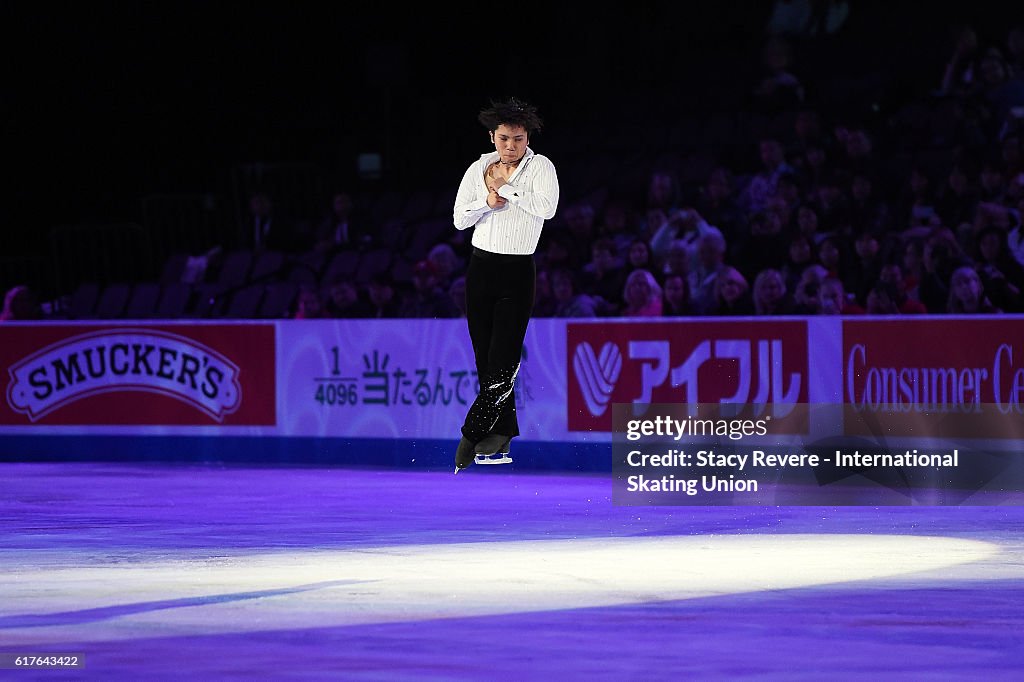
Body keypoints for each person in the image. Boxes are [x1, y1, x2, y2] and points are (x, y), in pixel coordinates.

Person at [451, 97, 559, 471]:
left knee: (503, 358)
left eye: (518, 138)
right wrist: (488, 200)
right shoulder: (479, 166)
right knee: (485, 358)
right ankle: (500, 435)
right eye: (504, 139)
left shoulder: (541, 166)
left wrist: (509, 189)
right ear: (492, 136)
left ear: (527, 137)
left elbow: (547, 208)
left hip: (516, 272)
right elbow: (459, 219)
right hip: (480, 270)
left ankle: (471, 434)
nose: (511, 146)